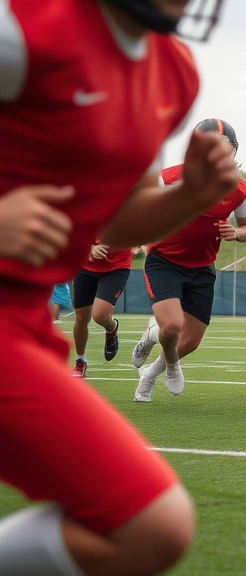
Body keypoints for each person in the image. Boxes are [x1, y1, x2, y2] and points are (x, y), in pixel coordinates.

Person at [0, 1, 233, 574]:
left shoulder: (172, 72)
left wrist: (189, 197)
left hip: (18, 324)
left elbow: (123, 215)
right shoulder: (22, 30)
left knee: (151, 528)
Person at [131, 118, 246, 403]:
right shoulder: (169, 179)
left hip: (202, 267)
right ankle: (170, 360)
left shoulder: (239, 188)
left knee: (191, 340)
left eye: (226, 147)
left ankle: (150, 372)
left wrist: (236, 233)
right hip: (165, 261)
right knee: (174, 327)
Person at [69, 243, 138, 378]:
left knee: (100, 315)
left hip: (117, 266)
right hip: (85, 265)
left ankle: (112, 327)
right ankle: (80, 360)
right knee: (82, 317)